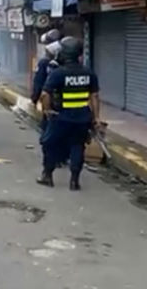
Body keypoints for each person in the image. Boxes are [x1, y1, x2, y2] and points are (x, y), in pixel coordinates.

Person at [37, 36, 101, 191]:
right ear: (79, 54)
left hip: (60, 118)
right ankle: (74, 181)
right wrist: (96, 118)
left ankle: (47, 175)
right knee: (77, 147)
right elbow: (94, 96)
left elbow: (45, 94)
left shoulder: (58, 73)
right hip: (82, 118)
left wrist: (47, 110)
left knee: (49, 144)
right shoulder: (89, 73)